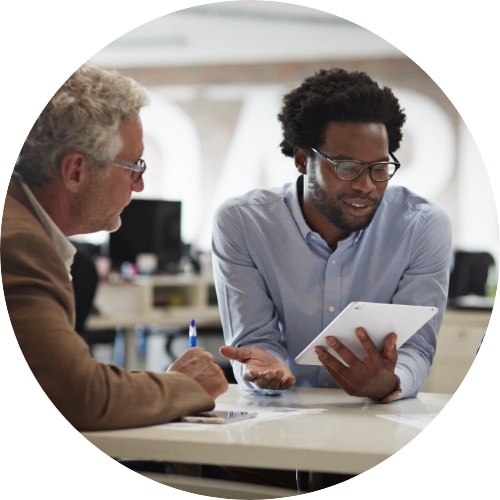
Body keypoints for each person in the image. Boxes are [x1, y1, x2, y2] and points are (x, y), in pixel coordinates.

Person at [1, 63, 228, 431]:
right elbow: (80, 394)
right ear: (75, 171)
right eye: (133, 166)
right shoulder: (20, 244)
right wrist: (185, 385)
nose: (138, 186)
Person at [213, 68, 452, 403]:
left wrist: (390, 382)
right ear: (301, 160)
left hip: (375, 419)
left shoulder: (422, 226)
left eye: (379, 169)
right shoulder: (242, 223)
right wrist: (265, 372)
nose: (365, 185)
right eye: (346, 167)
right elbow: (254, 341)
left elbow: (416, 348)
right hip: (282, 417)